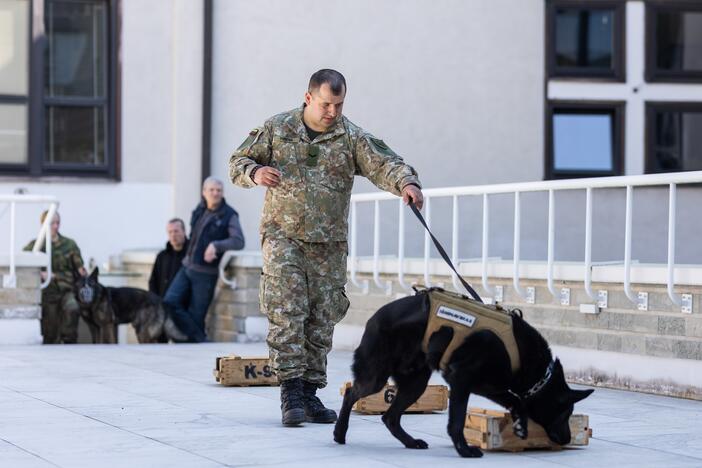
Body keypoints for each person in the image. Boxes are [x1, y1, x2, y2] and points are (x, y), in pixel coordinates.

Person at [229, 69, 424, 426]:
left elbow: (385, 163)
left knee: (322, 319)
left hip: (328, 245)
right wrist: (255, 173)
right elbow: (237, 162)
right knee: (288, 312)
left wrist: (406, 184)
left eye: (338, 104)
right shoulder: (277, 128)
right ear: (308, 98)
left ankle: (309, 392)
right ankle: (290, 392)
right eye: (325, 104)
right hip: (282, 236)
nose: (332, 111)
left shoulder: (350, 137)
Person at [163, 177, 245, 342]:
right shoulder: (199, 210)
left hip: (206, 274)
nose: (215, 193)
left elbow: (239, 241)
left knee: (197, 315)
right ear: (204, 192)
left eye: (219, 190)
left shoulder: (229, 215)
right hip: (187, 266)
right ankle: (199, 338)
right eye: (212, 190)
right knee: (169, 302)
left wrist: (216, 245)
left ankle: (194, 344)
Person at [23, 210, 87, 344]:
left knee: (72, 308)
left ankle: (69, 344)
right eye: (52, 223)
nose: (56, 226)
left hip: (66, 290)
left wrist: (83, 273)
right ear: (43, 225)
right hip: (47, 293)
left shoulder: (69, 244)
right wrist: (39, 273)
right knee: (50, 330)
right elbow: (24, 266)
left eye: (58, 223)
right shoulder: (36, 246)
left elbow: (79, 270)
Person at [149, 218, 188, 298]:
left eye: (176, 231)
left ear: (184, 232)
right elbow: (153, 281)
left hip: (184, 306)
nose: (173, 235)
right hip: (163, 304)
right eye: (170, 232)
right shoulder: (162, 256)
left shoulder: (191, 255)